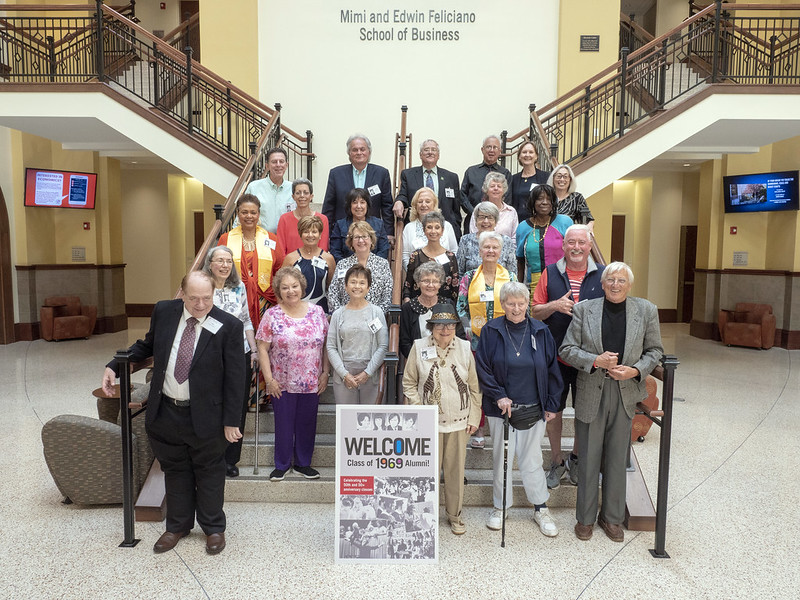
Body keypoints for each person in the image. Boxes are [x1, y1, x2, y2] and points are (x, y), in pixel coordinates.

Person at [101, 271, 245, 555]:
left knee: (210, 473)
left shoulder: (229, 325)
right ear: (182, 294)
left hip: (208, 416)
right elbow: (146, 345)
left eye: (207, 298)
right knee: (176, 470)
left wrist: (231, 422)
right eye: (193, 298)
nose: (201, 305)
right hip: (167, 411)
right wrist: (115, 365)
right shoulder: (165, 311)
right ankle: (177, 526)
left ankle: (214, 528)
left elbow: (236, 378)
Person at [559, 262, 663, 543]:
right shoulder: (584, 309)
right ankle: (585, 519)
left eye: (621, 280)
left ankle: (613, 519)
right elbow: (566, 349)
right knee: (589, 458)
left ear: (629, 285)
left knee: (618, 458)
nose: (615, 285)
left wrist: (636, 370)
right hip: (592, 390)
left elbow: (655, 351)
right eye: (610, 280)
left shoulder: (646, 310)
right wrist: (594, 360)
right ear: (602, 284)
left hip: (625, 391)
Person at [475, 282, 563, 537]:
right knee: (501, 460)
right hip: (500, 409)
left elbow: (551, 369)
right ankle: (500, 507)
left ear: (528, 304)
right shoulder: (491, 331)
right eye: (510, 303)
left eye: (521, 303)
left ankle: (541, 508)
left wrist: (552, 404)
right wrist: (499, 395)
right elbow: (483, 368)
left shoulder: (541, 330)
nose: (516, 308)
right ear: (503, 305)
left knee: (532, 459)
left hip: (534, 408)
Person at [531, 224, 605, 489]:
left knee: (585, 412)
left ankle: (576, 457)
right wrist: (555, 306)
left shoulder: (603, 275)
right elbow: (535, 311)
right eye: (571, 242)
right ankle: (556, 461)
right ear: (563, 246)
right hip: (556, 358)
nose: (576, 247)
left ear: (589, 246)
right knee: (555, 412)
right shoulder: (550, 274)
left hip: (590, 360)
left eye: (581, 243)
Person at [403, 304, 481, 535]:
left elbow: (475, 388)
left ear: (456, 326)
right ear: (431, 327)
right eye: (439, 325)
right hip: (429, 423)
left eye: (449, 325)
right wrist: (419, 411)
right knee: (427, 472)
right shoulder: (419, 347)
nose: (445, 329)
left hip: (459, 421)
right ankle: (426, 517)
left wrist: (474, 417)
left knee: (455, 473)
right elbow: (409, 382)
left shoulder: (465, 348)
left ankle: (455, 516)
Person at [256, 267, 330, 481]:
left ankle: (303, 464)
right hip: (282, 381)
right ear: (279, 290)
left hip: (311, 380)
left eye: (294, 286)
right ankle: (281, 464)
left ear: (302, 287)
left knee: (308, 423)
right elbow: (262, 348)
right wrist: (269, 379)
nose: (291, 291)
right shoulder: (272, 315)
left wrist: (325, 372)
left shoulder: (317, 313)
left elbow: (325, 345)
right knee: (284, 423)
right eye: (285, 287)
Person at [202, 246, 257, 478]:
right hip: (210, 355)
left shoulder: (239, 287)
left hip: (239, 355)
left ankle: (231, 459)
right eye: (220, 261)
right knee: (213, 406)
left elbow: (245, 319)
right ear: (210, 263)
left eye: (228, 261)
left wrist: (253, 349)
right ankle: (212, 456)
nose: (225, 265)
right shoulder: (203, 288)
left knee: (237, 406)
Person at [327, 264, 389, 405]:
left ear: (368, 288)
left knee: (371, 421)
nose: (357, 286)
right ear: (346, 286)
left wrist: (367, 372)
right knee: (347, 422)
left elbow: (383, 345)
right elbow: (331, 347)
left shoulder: (376, 312)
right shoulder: (338, 314)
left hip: (371, 372)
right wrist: (344, 374)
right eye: (353, 282)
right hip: (344, 373)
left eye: (362, 283)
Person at [218, 194, 281, 330]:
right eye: (244, 212)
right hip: (235, 299)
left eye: (253, 212)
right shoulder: (225, 239)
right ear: (238, 214)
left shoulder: (271, 239)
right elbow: (217, 269)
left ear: (259, 214)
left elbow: (280, 269)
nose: (249, 216)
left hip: (266, 300)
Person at [322, 133, 394, 236]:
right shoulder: (336, 174)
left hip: (372, 234)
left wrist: (389, 233)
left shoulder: (381, 174)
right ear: (349, 153)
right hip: (343, 234)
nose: (359, 152)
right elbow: (329, 207)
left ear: (369, 152)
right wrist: (326, 235)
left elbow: (387, 206)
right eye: (355, 150)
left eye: (362, 149)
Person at [457, 231, 517, 352]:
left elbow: (517, 306)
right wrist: (470, 329)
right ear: (480, 251)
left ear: (500, 252)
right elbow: (461, 307)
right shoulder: (469, 277)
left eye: (495, 247)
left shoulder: (510, 278)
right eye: (486, 247)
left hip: (505, 336)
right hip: (475, 338)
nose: (490, 251)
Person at [394, 139, 461, 238]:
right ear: (420, 154)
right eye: (426, 150)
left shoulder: (451, 177)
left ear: (438, 155)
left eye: (433, 150)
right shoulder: (408, 175)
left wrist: (456, 229)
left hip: (444, 228)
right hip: (417, 229)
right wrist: (399, 201)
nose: (430, 152)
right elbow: (403, 194)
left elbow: (456, 209)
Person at [399, 261, 463, 359]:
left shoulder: (448, 304)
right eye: (426, 281)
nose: (430, 285)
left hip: (448, 358)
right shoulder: (408, 308)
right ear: (418, 283)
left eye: (435, 281)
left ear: (440, 284)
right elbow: (405, 343)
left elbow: (459, 334)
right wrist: (421, 360)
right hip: (419, 360)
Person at [515, 184, 573, 291]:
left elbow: (573, 253)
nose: (545, 202)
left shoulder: (565, 222)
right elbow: (520, 261)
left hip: (561, 281)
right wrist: (518, 288)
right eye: (540, 199)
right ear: (533, 202)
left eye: (549, 199)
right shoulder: (523, 227)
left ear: (553, 202)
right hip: (532, 284)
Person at [328, 221, 393, 312]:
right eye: (357, 237)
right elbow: (333, 294)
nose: (361, 241)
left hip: (373, 320)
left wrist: (373, 316)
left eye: (364, 236)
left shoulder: (383, 264)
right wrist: (342, 315)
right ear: (351, 242)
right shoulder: (342, 265)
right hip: (345, 319)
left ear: (371, 239)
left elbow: (387, 298)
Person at [281, 215, 335, 313]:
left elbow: (332, 288)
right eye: (306, 232)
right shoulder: (290, 258)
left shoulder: (328, 259)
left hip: (321, 311)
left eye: (314, 232)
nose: (310, 235)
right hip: (295, 311)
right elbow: (280, 286)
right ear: (300, 234)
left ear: (320, 235)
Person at [460, 134, 512, 234]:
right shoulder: (471, 171)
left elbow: (508, 198)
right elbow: (462, 197)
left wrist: (493, 217)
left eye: (495, 147)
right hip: (473, 221)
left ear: (500, 151)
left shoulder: (505, 173)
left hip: (498, 224)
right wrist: (476, 213)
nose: (491, 150)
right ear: (482, 149)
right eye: (488, 147)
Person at [403, 210, 458, 304]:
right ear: (424, 230)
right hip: (418, 306)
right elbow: (408, 285)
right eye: (429, 227)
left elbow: (455, 287)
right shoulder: (415, 256)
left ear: (442, 230)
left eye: (437, 227)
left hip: (444, 308)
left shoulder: (451, 257)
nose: (433, 231)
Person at [237, 147, 295, 233]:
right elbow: (242, 213)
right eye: (274, 162)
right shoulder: (254, 187)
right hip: (260, 239)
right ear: (267, 166)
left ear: (286, 165)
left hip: (286, 240)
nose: (278, 165)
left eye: (281, 161)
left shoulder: (293, 189)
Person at [456, 201, 517, 277]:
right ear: (476, 220)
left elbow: (512, 273)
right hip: (471, 287)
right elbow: (459, 272)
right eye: (481, 217)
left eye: (490, 217)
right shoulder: (465, 241)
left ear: (496, 221)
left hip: (500, 287)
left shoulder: (506, 241)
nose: (486, 221)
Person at [401, 188, 458, 268]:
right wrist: (413, 274)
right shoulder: (409, 228)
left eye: (427, 201)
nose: (423, 205)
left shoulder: (447, 226)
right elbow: (405, 256)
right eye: (420, 202)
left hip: (444, 275)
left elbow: (454, 251)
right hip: (417, 277)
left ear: (434, 204)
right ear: (415, 206)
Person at [329, 188, 390, 262]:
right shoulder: (340, 225)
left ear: (367, 205)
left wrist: (370, 265)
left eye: (362, 202)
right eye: (355, 202)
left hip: (373, 269)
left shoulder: (378, 224)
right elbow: (335, 251)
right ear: (349, 205)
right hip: (347, 269)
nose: (359, 206)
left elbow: (383, 250)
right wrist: (349, 266)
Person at [276, 178, 330, 256]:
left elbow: (323, 248)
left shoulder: (322, 219)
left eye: (305, 193)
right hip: (290, 265)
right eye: (298, 193)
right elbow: (280, 249)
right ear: (293, 196)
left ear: (311, 196)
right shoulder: (284, 219)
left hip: (315, 265)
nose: (302, 196)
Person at [468, 172, 519, 246]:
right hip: (481, 253)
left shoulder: (511, 211)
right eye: (492, 186)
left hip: (506, 253)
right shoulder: (479, 209)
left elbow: (514, 238)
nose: (496, 188)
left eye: (499, 186)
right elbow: (473, 235)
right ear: (486, 190)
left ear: (504, 190)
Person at [510, 140, 551, 222]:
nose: (527, 155)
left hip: (539, 222)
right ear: (519, 156)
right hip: (518, 222)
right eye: (524, 152)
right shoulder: (513, 179)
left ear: (536, 156)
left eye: (531, 152)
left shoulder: (546, 177)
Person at [548, 163, 594, 233]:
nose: (562, 179)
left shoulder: (577, 198)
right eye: (559, 176)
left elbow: (588, 219)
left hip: (568, 238)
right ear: (553, 178)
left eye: (565, 177)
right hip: (546, 237)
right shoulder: (546, 197)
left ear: (570, 180)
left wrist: (590, 227)